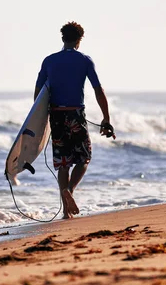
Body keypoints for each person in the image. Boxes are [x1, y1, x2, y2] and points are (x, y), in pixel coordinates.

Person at [34, 22, 113, 219]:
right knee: (84, 158)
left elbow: (38, 93)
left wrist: (41, 120)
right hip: (76, 114)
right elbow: (98, 89)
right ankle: (69, 189)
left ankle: (66, 211)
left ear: (62, 39)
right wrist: (106, 118)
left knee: (63, 163)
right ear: (79, 41)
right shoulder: (85, 61)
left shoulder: (49, 61)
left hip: (57, 116)